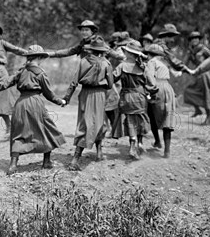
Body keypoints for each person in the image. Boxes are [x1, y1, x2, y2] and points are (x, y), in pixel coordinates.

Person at [0, 45, 66, 175]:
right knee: (46, 130)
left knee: (18, 133)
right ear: (39, 57)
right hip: (35, 103)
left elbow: (4, 84)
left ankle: (13, 165)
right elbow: (49, 94)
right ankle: (46, 161)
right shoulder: (41, 74)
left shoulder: (21, 72)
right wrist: (60, 101)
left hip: (20, 104)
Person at [64, 38, 115, 171]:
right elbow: (110, 84)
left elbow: (74, 82)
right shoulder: (106, 63)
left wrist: (67, 97)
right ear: (102, 51)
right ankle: (98, 152)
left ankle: (76, 157)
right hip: (99, 95)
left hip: (85, 94)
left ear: (91, 50)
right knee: (99, 122)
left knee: (84, 123)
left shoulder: (83, 61)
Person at [115, 41, 158, 160]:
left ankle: (133, 143)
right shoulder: (143, 67)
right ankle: (139, 143)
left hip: (126, 97)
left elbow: (112, 79)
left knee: (130, 121)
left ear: (128, 53)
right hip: (140, 97)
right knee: (140, 120)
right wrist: (148, 92)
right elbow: (153, 85)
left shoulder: (121, 66)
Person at [144, 43, 181, 158]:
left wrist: (150, 90)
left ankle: (157, 141)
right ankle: (167, 151)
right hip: (168, 88)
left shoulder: (151, 62)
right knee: (167, 118)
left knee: (151, 113)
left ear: (150, 54)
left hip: (157, 87)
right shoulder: (163, 63)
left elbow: (149, 77)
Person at [48, 20, 125, 61]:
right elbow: (69, 51)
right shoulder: (83, 43)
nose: (84, 32)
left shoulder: (97, 41)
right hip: (85, 70)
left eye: (86, 30)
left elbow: (109, 51)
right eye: (82, 30)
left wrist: (120, 56)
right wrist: (51, 54)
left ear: (92, 31)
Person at [183, 31, 210, 125]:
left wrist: (206, 67)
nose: (194, 40)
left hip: (204, 74)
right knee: (188, 91)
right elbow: (184, 63)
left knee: (206, 95)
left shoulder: (203, 49)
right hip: (196, 75)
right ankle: (197, 110)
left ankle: (209, 117)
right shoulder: (190, 51)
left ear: (199, 40)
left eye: (196, 38)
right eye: (192, 39)